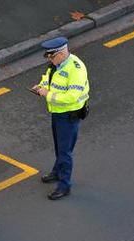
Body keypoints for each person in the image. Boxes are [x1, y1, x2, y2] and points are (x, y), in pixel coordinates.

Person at [32, 37, 90, 200]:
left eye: (52, 56)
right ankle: (57, 173)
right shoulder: (56, 64)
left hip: (69, 116)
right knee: (59, 147)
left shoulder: (76, 69)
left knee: (65, 152)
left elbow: (72, 96)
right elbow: (48, 77)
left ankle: (64, 186)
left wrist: (47, 94)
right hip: (57, 113)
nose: (49, 59)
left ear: (62, 53)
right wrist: (41, 86)